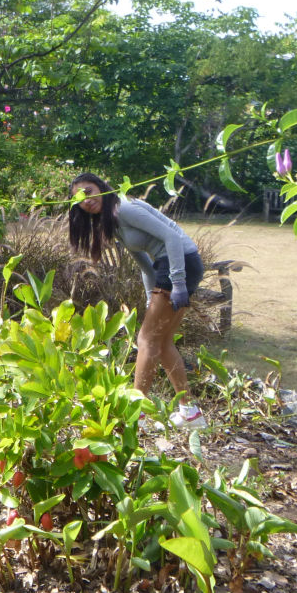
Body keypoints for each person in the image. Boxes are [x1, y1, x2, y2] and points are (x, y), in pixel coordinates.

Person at [67, 172, 207, 428]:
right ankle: (190, 413)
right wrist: (150, 299)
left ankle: (135, 414)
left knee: (146, 340)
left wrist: (177, 283)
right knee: (162, 341)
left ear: (101, 187)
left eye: (88, 191)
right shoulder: (112, 221)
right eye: (79, 198)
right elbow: (145, 265)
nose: (86, 200)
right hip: (173, 265)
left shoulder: (124, 208)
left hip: (180, 263)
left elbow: (172, 237)